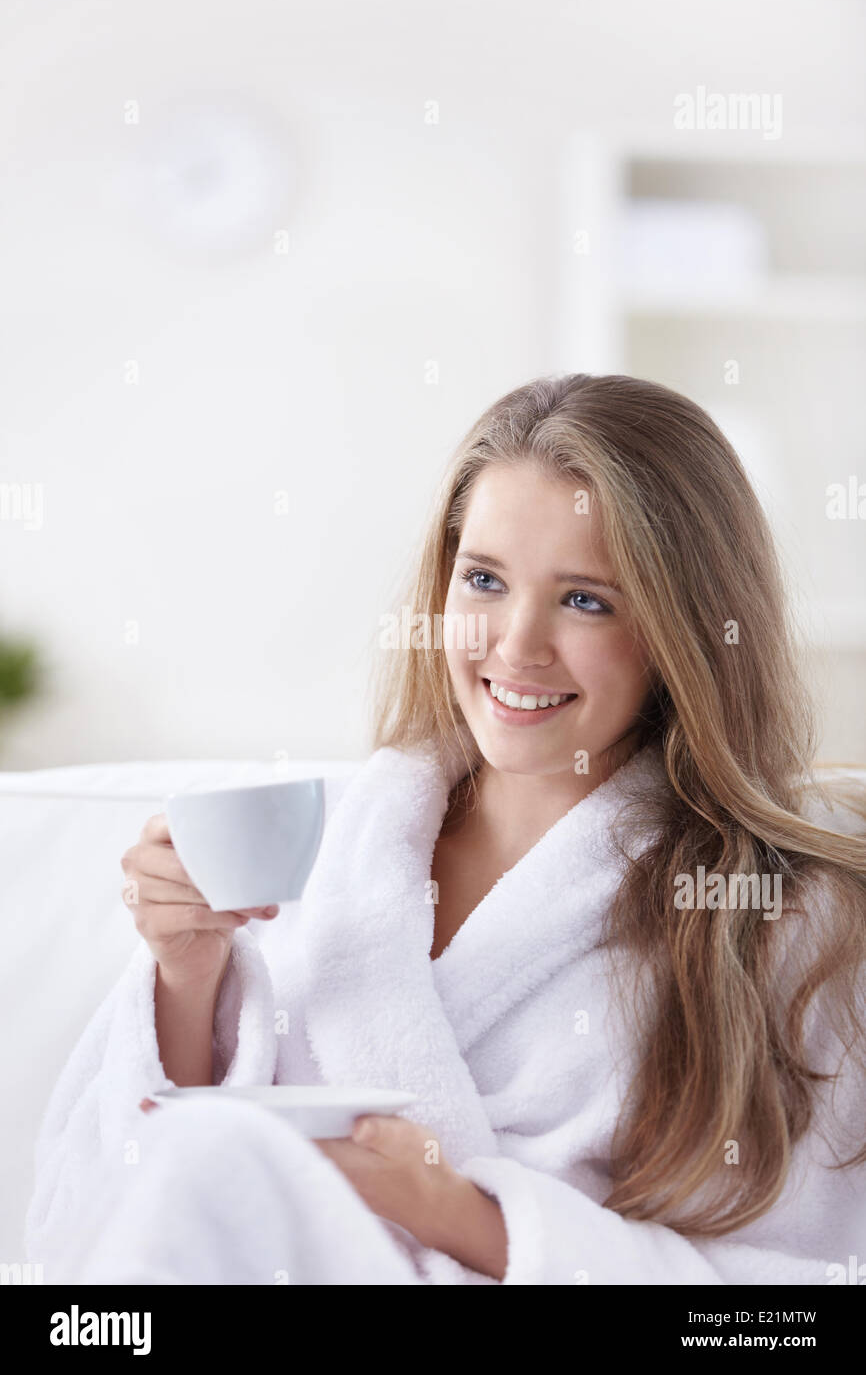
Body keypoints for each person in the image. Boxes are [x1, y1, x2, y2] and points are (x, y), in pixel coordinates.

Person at [25, 372, 866, 1285]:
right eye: (484, 580)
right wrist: (188, 980)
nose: (515, 644)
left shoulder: (776, 915)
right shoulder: (329, 848)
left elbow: (793, 1304)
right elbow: (107, 1211)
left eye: (585, 598)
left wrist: (464, 1219)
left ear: (681, 631)